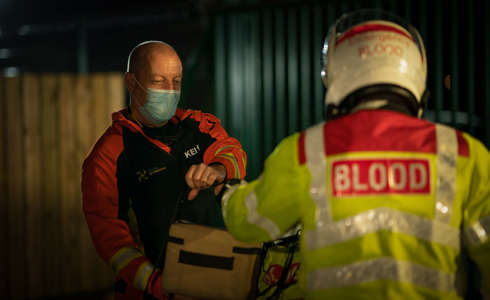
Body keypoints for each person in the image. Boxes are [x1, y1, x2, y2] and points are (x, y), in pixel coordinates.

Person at [217, 10, 490, 300]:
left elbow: (247, 223)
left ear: (336, 72)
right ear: (415, 73)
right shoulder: (462, 153)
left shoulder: (305, 151)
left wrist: (229, 191)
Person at [82, 41, 247, 300]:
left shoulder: (197, 126)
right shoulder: (107, 156)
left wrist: (218, 170)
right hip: (148, 293)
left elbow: (233, 152)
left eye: (176, 81)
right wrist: (158, 284)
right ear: (131, 83)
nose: (170, 91)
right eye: (159, 81)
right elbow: (110, 240)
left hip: (210, 282)